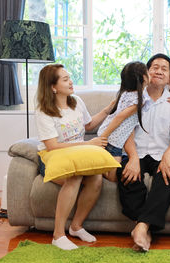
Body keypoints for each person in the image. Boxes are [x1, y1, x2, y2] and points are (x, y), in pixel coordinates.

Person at [35, 64, 114, 250]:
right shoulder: (44, 111)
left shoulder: (76, 101)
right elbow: (52, 146)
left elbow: (89, 125)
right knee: (75, 176)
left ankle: (76, 227)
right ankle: (58, 235)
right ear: (52, 87)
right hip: (52, 157)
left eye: (69, 77)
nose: (71, 82)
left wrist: (109, 108)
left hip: (77, 155)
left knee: (95, 178)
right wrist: (87, 144)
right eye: (65, 79)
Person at [116, 53, 170, 252]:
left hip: (163, 153)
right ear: (147, 72)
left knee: (168, 174)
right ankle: (145, 228)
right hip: (135, 152)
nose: (159, 71)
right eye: (155, 67)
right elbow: (126, 130)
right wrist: (133, 157)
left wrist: (168, 156)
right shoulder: (132, 97)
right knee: (126, 175)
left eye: (164, 68)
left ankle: (141, 226)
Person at [97, 61, 149, 182]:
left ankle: (99, 169)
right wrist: (103, 138)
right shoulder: (139, 100)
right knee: (113, 177)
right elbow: (119, 117)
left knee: (111, 173)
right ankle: (97, 172)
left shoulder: (125, 93)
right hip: (112, 140)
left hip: (108, 135)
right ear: (144, 77)